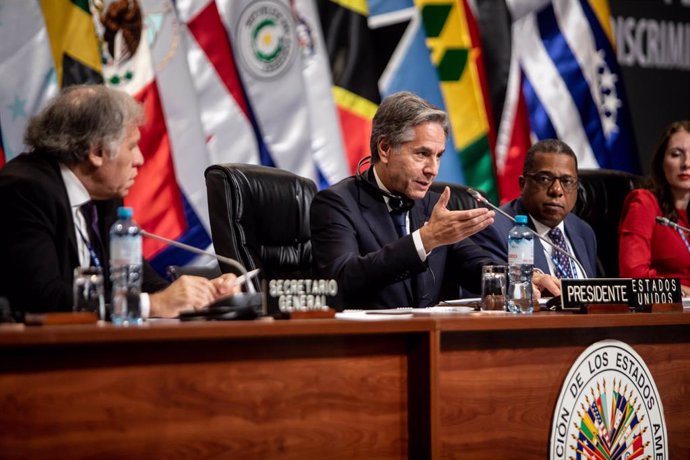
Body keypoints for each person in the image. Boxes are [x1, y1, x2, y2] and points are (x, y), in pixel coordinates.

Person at [0, 85, 240, 318]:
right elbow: (43, 299)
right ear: (96, 153)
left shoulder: (104, 195)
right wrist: (151, 305)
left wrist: (204, 294)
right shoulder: (25, 191)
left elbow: (142, 283)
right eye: (132, 146)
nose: (140, 159)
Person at [310, 91, 559, 309]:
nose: (433, 169)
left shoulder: (432, 205)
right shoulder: (336, 203)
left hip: (431, 343)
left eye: (438, 156)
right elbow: (340, 281)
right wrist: (425, 240)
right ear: (385, 148)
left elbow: (475, 265)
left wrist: (522, 278)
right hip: (367, 347)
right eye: (422, 154)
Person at [471, 139, 598, 279]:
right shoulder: (494, 229)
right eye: (544, 179)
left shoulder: (584, 232)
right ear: (523, 184)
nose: (556, 190)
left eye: (566, 181)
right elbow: (493, 295)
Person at [619, 120, 690, 294]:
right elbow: (633, 275)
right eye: (676, 154)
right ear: (661, 162)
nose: (686, 163)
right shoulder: (644, 203)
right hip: (666, 312)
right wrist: (680, 289)